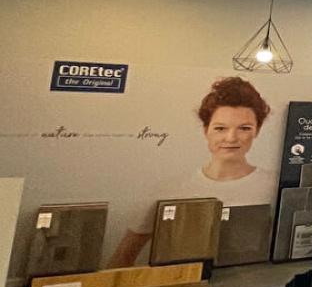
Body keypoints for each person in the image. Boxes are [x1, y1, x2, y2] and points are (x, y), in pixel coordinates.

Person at [109, 76, 276, 266]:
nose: (231, 138)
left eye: (244, 128)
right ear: (206, 130)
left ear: (257, 131)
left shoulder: (273, 186)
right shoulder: (169, 189)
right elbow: (122, 258)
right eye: (220, 128)